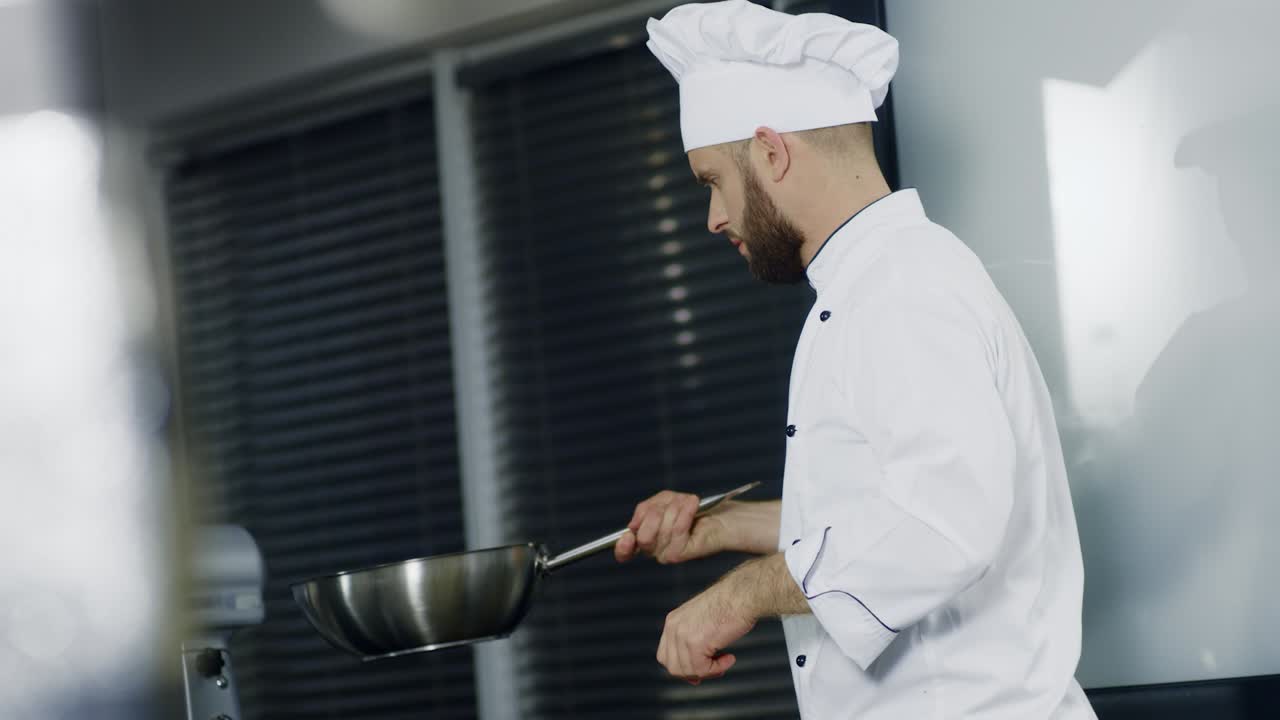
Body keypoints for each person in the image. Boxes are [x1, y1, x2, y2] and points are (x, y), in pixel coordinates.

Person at [614, 2, 1097, 718]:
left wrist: (739, 596)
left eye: (713, 181)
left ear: (772, 151)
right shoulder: (877, 282)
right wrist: (727, 527)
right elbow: (889, 507)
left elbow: (944, 523)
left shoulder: (900, 291)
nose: (713, 218)